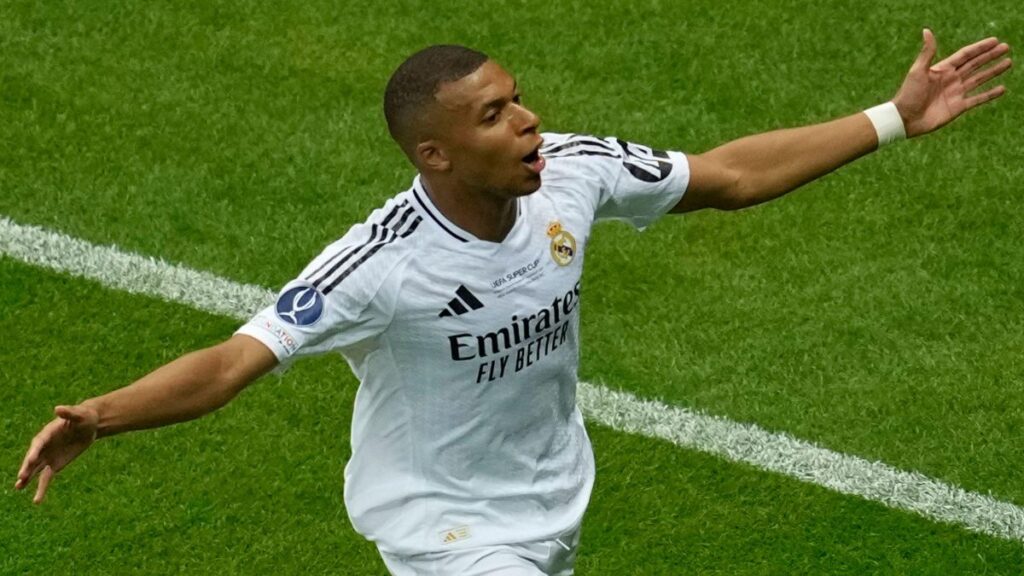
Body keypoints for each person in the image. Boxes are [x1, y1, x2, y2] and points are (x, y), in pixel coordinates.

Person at [15, 30, 1011, 575]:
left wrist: (891, 118)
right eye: (496, 114)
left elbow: (728, 176)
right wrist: (101, 416)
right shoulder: (380, 262)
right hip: (446, 532)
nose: (530, 121)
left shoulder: (572, 172)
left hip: (547, 507)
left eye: (519, 97)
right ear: (434, 153)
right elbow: (235, 362)